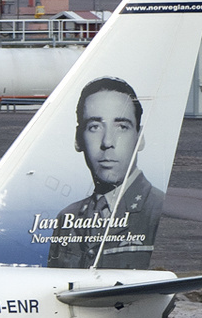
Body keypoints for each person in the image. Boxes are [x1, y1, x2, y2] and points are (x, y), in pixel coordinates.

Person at [46, 76, 164, 269]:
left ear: (139, 138)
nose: (107, 141)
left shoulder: (158, 211)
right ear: (78, 139)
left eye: (122, 127)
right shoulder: (67, 217)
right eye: (94, 127)